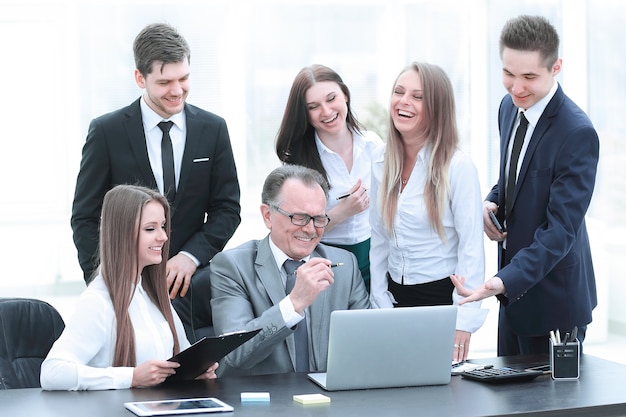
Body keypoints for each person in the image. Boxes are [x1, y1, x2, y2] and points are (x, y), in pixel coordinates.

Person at [70, 23, 241, 340]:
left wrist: (190, 258)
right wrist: (107, 282)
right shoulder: (107, 132)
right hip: (125, 289)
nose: (177, 90)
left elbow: (227, 209)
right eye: (164, 82)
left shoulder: (214, 129)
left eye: (184, 78)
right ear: (140, 78)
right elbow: (85, 217)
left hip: (192, 287)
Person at [451, 15, 599, 356]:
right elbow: (514, 176)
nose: (517, 88)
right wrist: (493, 202)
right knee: (509, 406)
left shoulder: (576, 133)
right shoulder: (508, 107)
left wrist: (501, 281)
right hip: (513, 296)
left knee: (553, 408)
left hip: (554, 304)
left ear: (556, 67)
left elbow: (561, 230)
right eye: (508, 74)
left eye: (529, 77)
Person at [41, 185, 218, 390]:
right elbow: (52, 372)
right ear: (122, 233)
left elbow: (181, 357)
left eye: (163, 226)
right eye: (150, 229)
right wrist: (131, 377)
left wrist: (195, 372)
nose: (163, 237)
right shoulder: (98, 301)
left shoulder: (155, 296)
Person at [369, 62, 487, 362]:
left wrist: (464, 320)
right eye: (399, 92)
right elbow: (379, 237)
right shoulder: (381, 160)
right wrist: (380, 299)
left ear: (437, 108)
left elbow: (472, 247)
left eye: (417, 96)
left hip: (440, 301)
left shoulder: (458, 167)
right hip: (393, 300)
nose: (403, 102)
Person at [209, 164, 370, 376]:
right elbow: (235, 353)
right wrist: (294, 304)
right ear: (267, 215)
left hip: (327, 397)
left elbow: (366, 343)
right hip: (262, 400)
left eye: (319, 219)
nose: (311, 229)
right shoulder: (231, 266)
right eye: (299, 217)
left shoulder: (344, 263)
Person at [275, 64, 383, 291]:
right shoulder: (299, 161)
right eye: (313, 107)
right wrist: (344, 211)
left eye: (331, 98)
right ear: (305, 114)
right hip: (325, 263)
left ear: (345, 95)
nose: (326, 111)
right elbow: (293, 231)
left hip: (376, 258)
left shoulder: (373, 146)